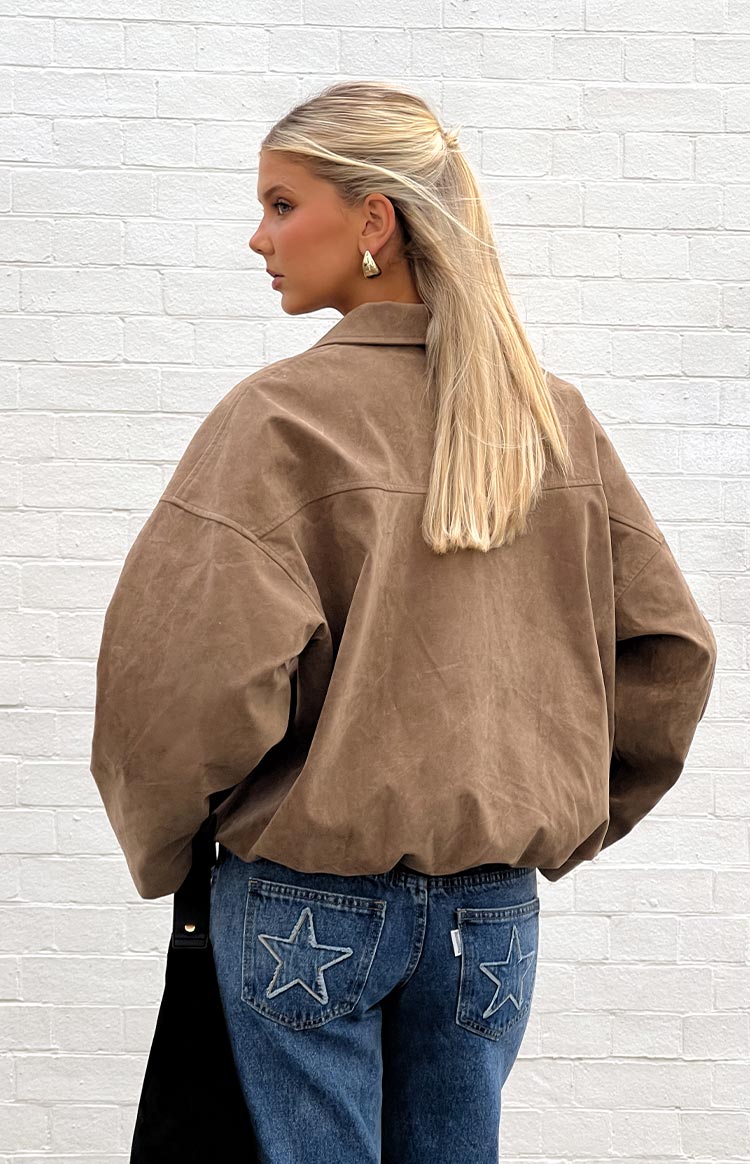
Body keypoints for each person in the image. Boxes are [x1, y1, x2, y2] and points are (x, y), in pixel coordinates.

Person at [89, 81, 718, 1163]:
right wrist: (555, 809)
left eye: (283, 205)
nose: (258, 237)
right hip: (490, 919)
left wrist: (173, 848)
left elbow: (175, 690)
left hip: (303, 905)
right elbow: (671, 652)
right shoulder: (550, 420)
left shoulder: (278, 420)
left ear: (374, 220)